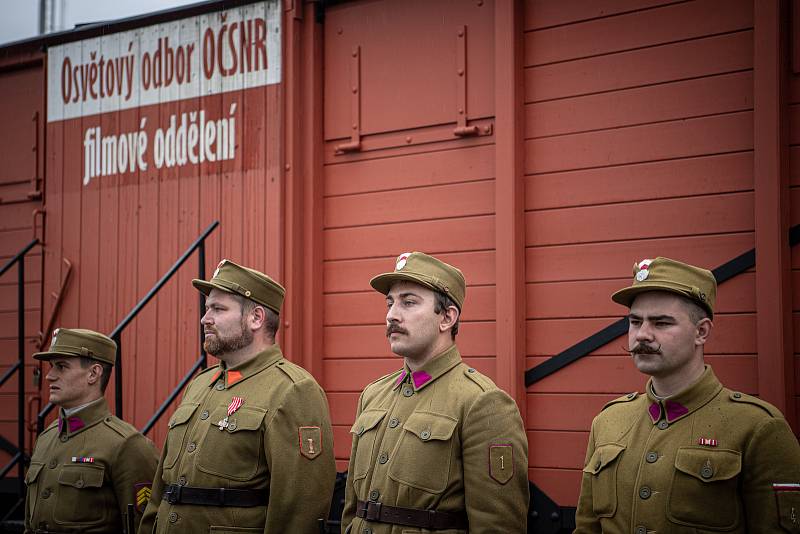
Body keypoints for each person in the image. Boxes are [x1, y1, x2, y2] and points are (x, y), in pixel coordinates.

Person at [574, 256, 800, 534]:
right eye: (635, 321)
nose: (642, 334)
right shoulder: (609, 421)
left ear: (701, 332)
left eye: (661, 323)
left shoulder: (758, 428)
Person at [139, 259, 336, 533]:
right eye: (207, 308)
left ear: (256, 318)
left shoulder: (292, 389)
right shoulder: (200, 384)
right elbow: (163, 488)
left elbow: (299, 509)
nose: (205, 318)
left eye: (218, 309)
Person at [341, 251, 529, 534]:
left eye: (409, 302)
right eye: (390, 303)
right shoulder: (374, 394)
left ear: (447, 318)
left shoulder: (481, 402)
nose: (392, 315)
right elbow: (353, 510)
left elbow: (498, 525)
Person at [24, 327, 159, 533]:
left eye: (61, 367)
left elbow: (144, 527)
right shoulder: (46, 438)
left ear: (93, 373)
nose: (49, 376)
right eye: (51, 367)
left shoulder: (127, 445)